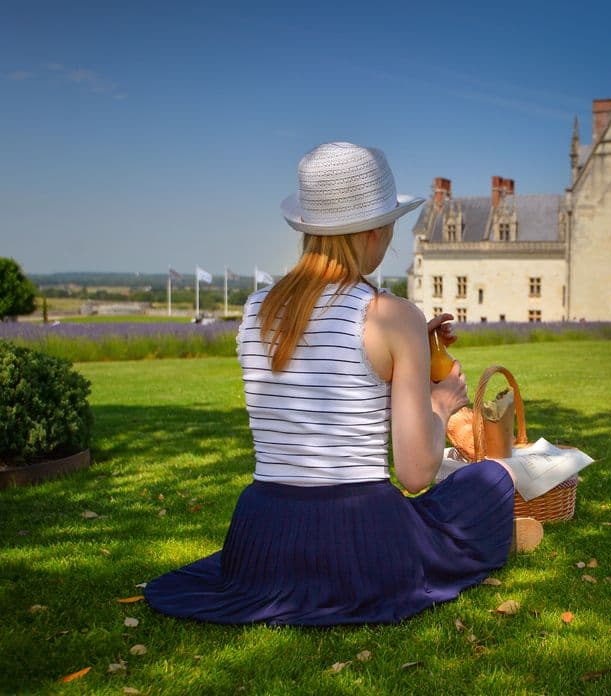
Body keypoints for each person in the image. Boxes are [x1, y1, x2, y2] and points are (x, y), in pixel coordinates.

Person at [145, 142, 543, 626]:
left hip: (263, 535)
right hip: (357, 536)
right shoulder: (391, 315)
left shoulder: (254, 310)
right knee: (489, 480)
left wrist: (418, 346)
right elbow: (416, 474)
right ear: (374, 231)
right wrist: (438, 404)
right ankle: (505, 530)